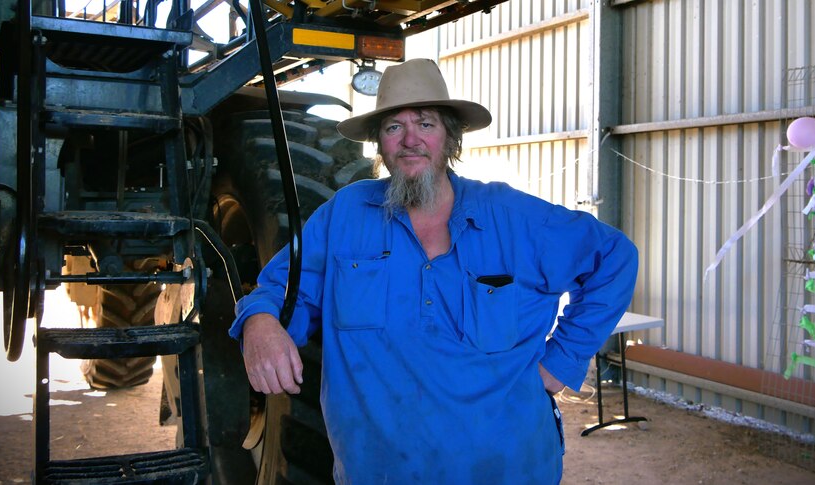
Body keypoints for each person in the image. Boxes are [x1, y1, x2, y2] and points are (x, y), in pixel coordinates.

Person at [229, 58, 639, 484]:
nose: (410, 140)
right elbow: (280, 289)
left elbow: (614, 258)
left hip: (508, 471)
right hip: (377, 473)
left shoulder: (513, 217)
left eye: (425, 124)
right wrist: (260, 322)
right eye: (393, 127)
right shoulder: (344, 215)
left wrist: (563, 360)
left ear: (450, 138)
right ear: (379, 143)